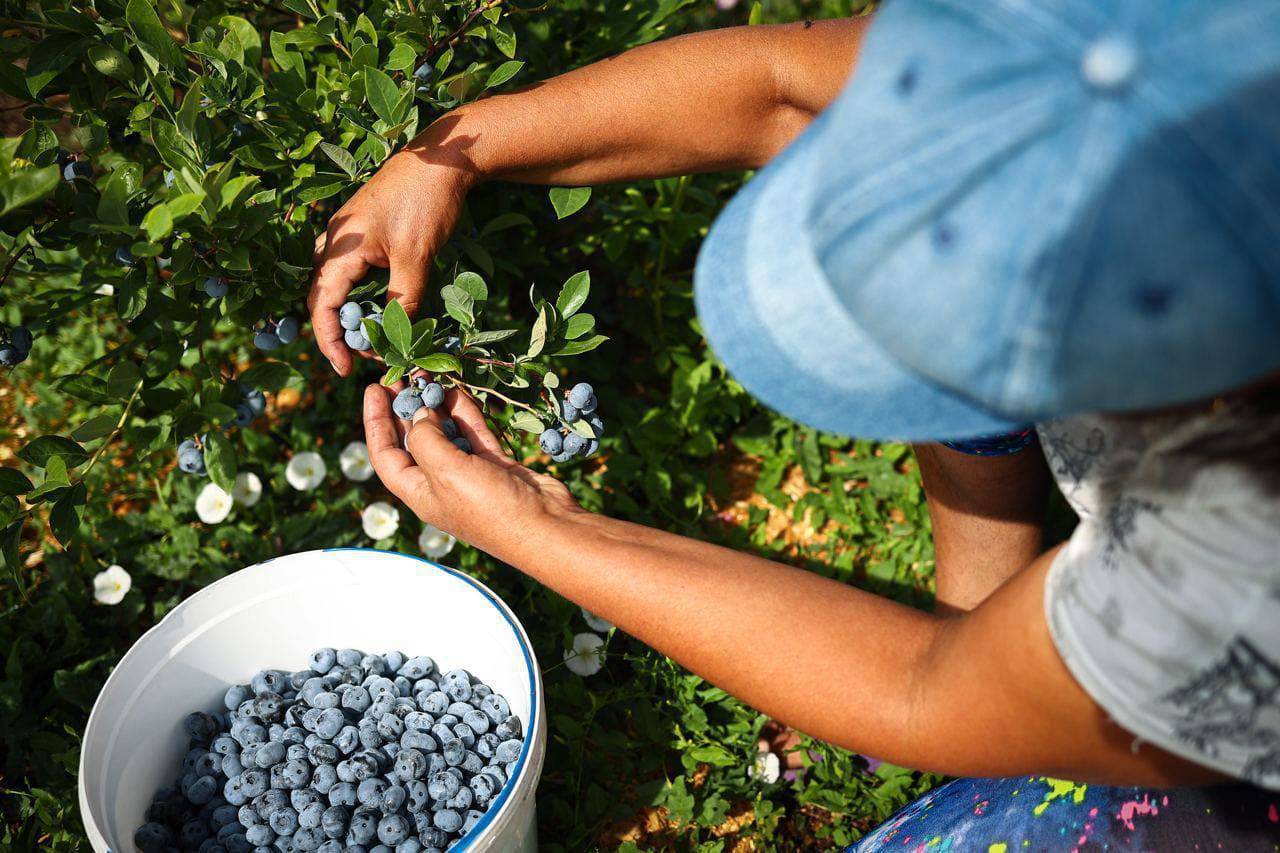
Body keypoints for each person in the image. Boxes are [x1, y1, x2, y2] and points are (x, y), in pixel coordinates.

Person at [309, 0, 1280, 846]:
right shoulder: (1124, 43)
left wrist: (540, 529)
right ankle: (1003, 621)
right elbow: (777, 89)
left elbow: (919, 691)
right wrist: (453, 151)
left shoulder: (1228, 573)